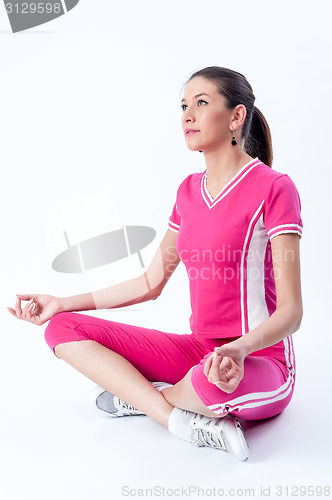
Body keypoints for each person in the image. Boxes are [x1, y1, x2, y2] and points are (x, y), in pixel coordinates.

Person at [7, 66, 303, 461]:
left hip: (259, 360)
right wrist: (62, 301)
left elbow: (292, 312)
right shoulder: (187, 192)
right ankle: (175, 418)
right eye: (184, 106)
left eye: (201, 103)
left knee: (212, 383)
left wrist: (239, 350)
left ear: (236, 117)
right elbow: (150, 282)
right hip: (199, 350)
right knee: (61, 330)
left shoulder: (273, 187)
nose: (187, 115)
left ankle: (141, 398)